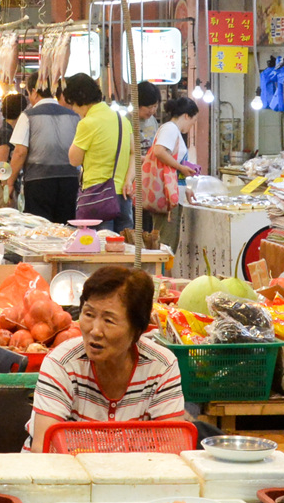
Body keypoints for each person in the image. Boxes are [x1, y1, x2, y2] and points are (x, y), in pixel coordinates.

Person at [29, 266, 183, 451]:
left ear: (137, 329)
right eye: (89, 314)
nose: (95, 330)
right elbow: (44, 449)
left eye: (109, 320)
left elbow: (173, 448)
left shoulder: (161, 366)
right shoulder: (61, 364)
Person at [65, 73, 135, 231]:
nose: (74, 110)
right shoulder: (121, 119)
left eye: (73, 105)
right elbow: (133, 153)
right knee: (123, 250)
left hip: (97, 198)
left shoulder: (87, 123)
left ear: (79, 100)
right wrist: (128, 180)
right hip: (123, 197)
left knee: (97, 250)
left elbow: (74, 160)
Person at [11, 85, 80, 225]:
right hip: (70, 181)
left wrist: (9, 181)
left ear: (34, 92)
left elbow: (20, 152)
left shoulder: (28, 116)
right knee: (66, 228)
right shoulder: (74, 116)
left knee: (40, 227)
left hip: (38, 182)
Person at [141, 95, 201, 250]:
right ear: (186, 116)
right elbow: (159, 151)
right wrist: (181, 168)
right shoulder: (170, 129)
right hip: (167, 197)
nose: (192, 126)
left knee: (168, 242)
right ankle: (160, 275)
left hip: (173, 194)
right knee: (166, 244)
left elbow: (170, 167)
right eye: (193, 121)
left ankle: (162, 274)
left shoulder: (172, 130)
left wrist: (185, 188)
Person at [0, 91, 27, 205]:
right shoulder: (6, 132)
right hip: (2, 186)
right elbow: (2, 163)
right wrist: (6, 187)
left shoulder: (11, 130)